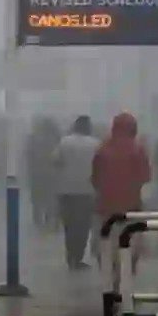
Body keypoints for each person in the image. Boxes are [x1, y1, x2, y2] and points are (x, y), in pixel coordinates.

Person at [91, 112, 151, 271]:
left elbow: (94, 178)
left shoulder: (102, 149)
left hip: (105, 207)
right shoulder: (138, 149)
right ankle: (128, 271)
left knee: (105, 244)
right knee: (132, 243)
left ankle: (109, 276)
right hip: (132, 207)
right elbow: (146, 176)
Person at [54, 115, 101, 270]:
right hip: (87, 190)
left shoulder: (64, 142)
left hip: (66, 190)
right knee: (83, 226)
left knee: (69, 225)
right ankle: (78, 257)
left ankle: (70, 256)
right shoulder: (96, 144)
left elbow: (55, 161)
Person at [27, 116, 62, 230]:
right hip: (52, 173)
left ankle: (38, 219)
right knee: (50, 198)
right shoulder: (57, 139)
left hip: (37, 173)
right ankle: (49, 219)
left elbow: (28, 156)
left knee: (38, 197)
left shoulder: (33, 138)